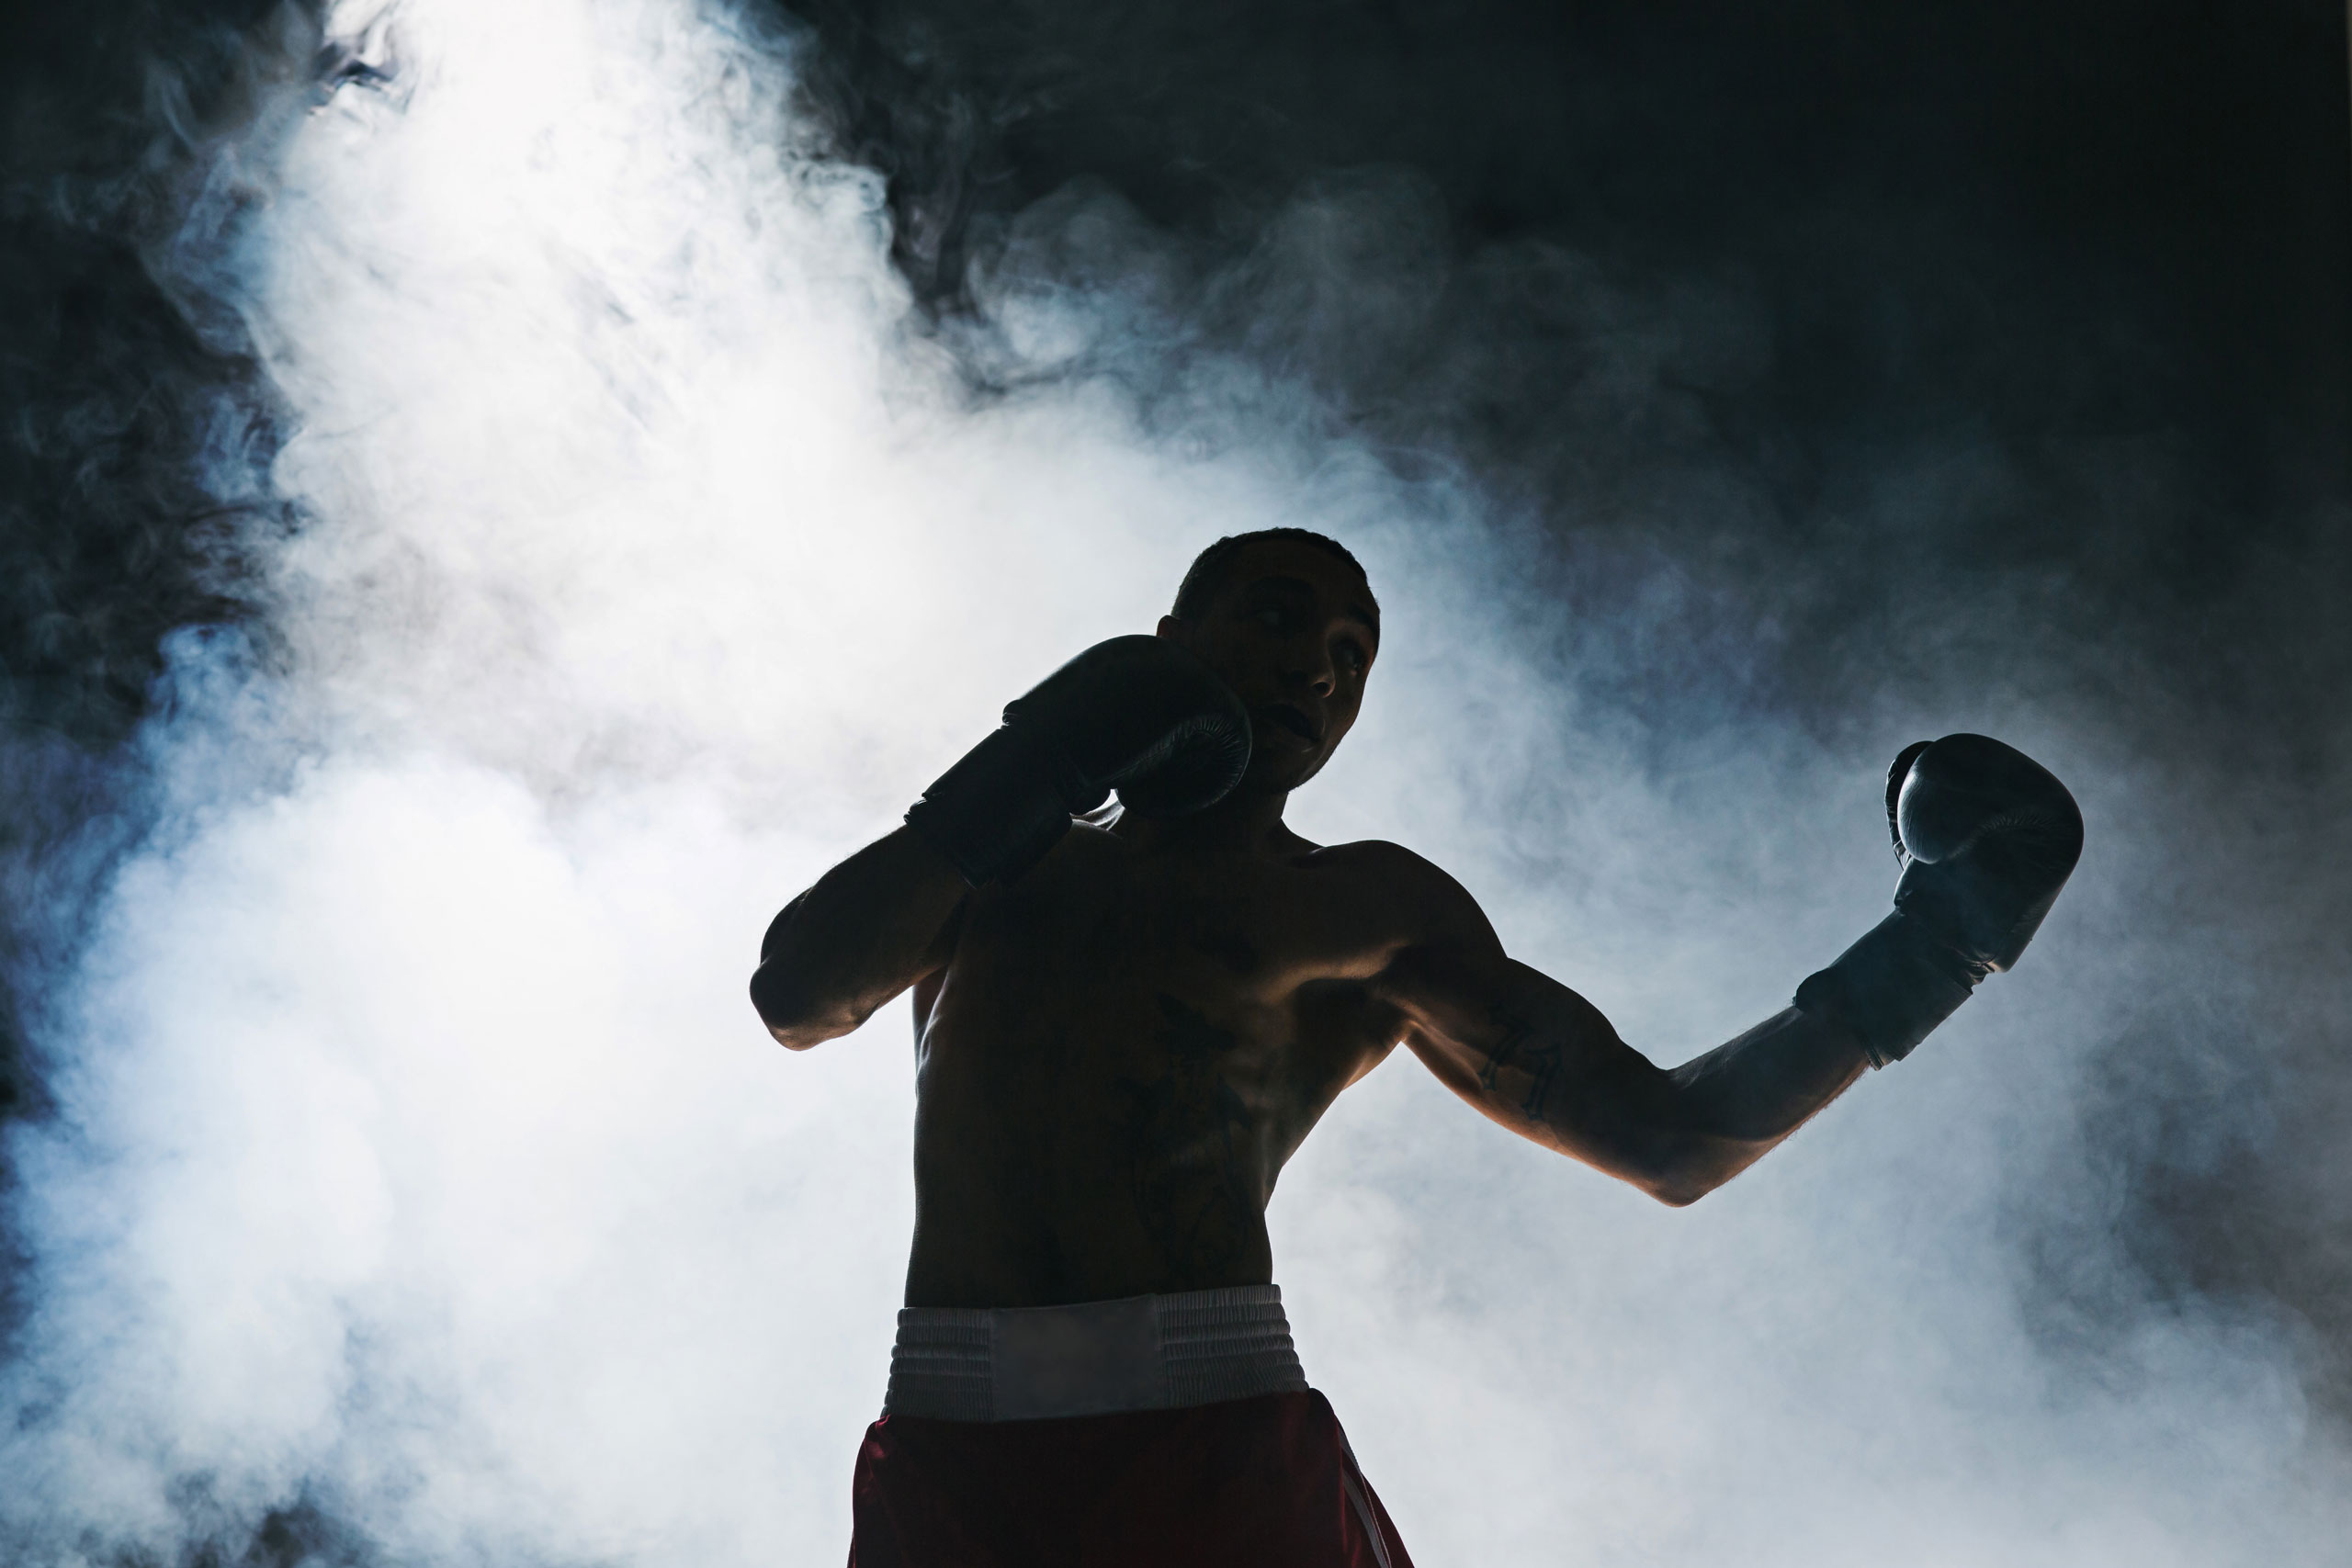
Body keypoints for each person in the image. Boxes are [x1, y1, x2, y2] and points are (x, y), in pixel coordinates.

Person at [750, 528, 2083, 1567]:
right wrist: (1039, 753)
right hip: (947, 1435)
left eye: (1352, 650)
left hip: (1207, 1427)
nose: (1318, 666)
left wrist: (1939, 944)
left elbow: (1672, 1140)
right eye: (1278, 616)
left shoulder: (1364, 909)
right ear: (1170, 639)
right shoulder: (1000, 861)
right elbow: (800, 994)